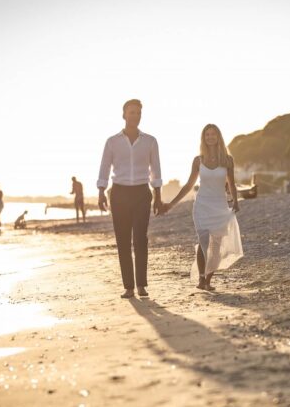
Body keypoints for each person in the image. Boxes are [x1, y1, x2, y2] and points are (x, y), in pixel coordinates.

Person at [163, 124, 243, 291]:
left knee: (216, 245)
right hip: (202, 205)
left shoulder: (227, 160)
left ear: (218, 137)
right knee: (203, 241)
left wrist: (235, 201)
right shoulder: (198, 160)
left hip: (220, 205)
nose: (210, 137)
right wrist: (172, 203)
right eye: (207, 135)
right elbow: (188, 185)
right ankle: (201, 279)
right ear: (203, 138)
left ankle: (208, 279)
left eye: (213, 134)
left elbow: (232, 184)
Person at [97, 99, 163, 299]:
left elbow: (156, 169)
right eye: (131, 112)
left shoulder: (150, 141)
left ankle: (141, 285)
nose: (135, 115)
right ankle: (128, 287)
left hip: (142, 193)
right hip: (119, 193)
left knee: (140, 239)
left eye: (138, 113)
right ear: (124, 115)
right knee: (123, 241)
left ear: (140, 116)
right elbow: (104, 167)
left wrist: (158, 195)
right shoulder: (112, 141)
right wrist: (101, 191)